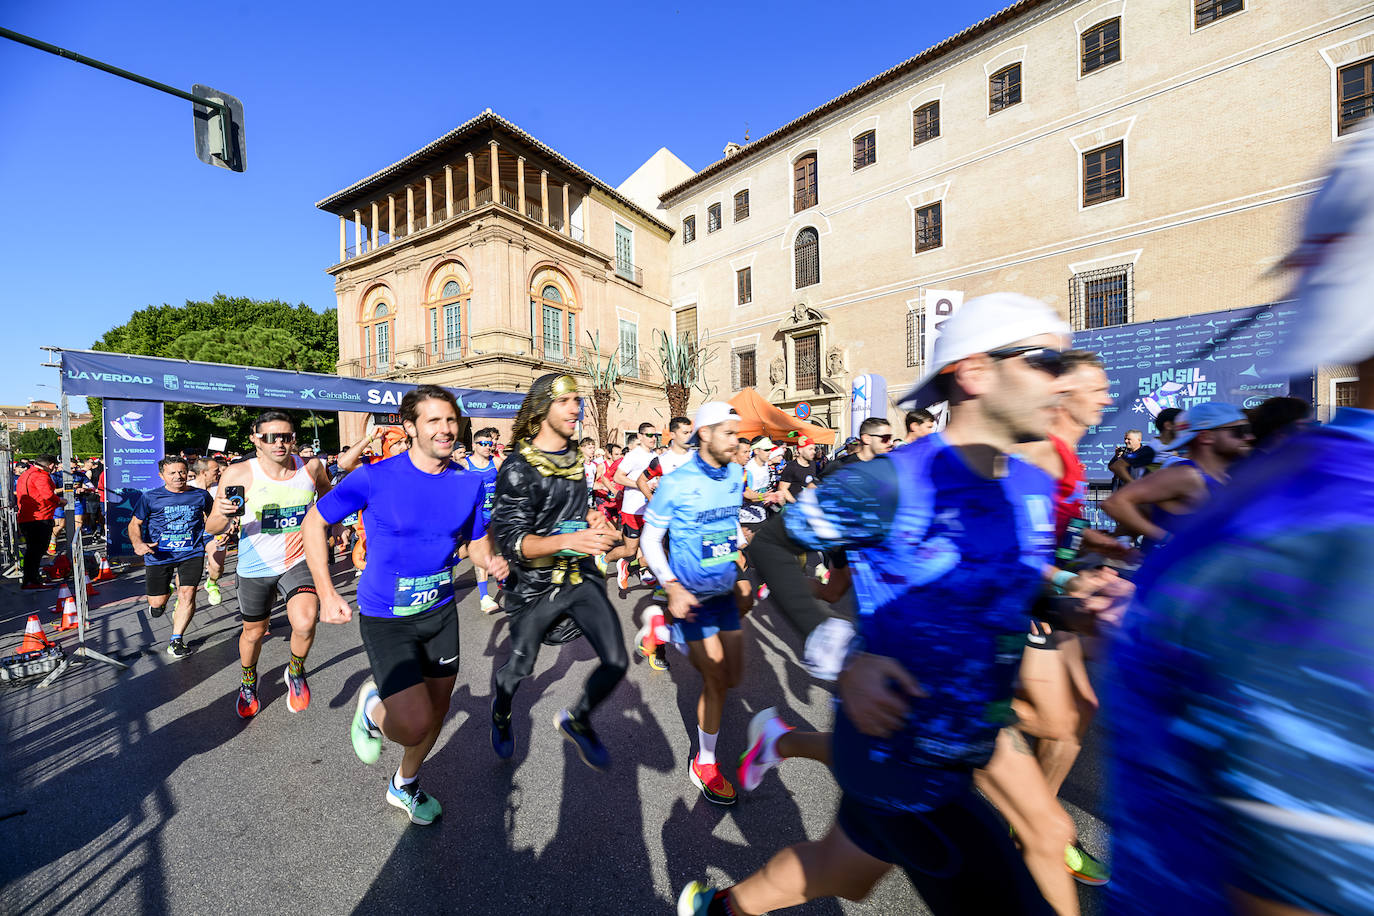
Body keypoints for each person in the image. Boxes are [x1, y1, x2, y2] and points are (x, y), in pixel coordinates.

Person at [680, 292, 1079, 916]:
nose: (1066, 379)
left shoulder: (1029, 485)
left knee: (847, 872)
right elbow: (775, 546)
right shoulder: (889, 482)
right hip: (901, 759)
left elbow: (1009, 585)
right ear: (975, 372)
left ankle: (720, 909)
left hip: (975, 734)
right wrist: (840, 656)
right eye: (1045, 363)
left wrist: (1072, 604)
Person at [1108, 127, 1374, 916]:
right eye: (1229, 429)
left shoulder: (1269, 496)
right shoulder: (1301, 521)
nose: (1240, 437)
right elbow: (1123, 503)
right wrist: (1153, 552)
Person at [303, 386, 504, 826]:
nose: (445, 429)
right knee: (411, 723)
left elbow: (475, 544)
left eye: (450, 420)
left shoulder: (467, 482)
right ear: (410, 427)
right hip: (387, 618)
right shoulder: (374, 477)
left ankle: (404, 784)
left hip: (439, 614)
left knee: (436, 712)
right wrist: (326, 590)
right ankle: (373, 706)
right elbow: (315, 520)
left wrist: (493, 560)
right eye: (433, 420)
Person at [488, 373, 625, 771]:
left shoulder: (575, 459)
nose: (575, 409)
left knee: (616, 660)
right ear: (543, 407)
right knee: (520, 668)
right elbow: (512, 540)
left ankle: (579, 720)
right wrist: (569, 541)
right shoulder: (517, 467)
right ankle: (501, 711)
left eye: (578, 401)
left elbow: (572, 511)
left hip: (579, 577)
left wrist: (593, 518)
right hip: (534, 586)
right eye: (566, 402)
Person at [640, 403, 752, 804]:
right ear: (704, 434)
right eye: (728, 434)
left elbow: (728, 515)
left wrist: (737, 544)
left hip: (723, 590)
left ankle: (662, 632)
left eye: (736, 434)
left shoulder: (736, 473)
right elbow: (649, 540)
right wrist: (670, 585)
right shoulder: (676, 482)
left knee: (735, 676)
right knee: (717, 678)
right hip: (690, 594)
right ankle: (705, 763)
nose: (736, 441)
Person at [209, 410, 332, 719]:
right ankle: (248, 681)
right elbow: (212, 527)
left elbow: (328, 497)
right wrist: (223, 513)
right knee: (253, 633)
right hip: (255, 567)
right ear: (255, 439)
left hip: (298, 560)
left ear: (294, 439)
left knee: (305, 621)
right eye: (269, 437)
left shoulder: (312, 466)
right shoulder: (238, 474)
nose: (278, 443)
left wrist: (338, 525)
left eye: (286, 437)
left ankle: (295, 671)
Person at [1103, 401, 1253, 549]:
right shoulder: (1187, 475)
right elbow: (1114, 503)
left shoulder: (1225, 478)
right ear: (1206, 436)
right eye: (1239, 431)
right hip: (1169, 572)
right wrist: (1168, 539)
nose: (1249, 437)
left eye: (1248, 429)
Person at [129, 457, 233, 658]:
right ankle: (163, 596)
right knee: (157, 603)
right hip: (159, 554)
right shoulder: (150, 497)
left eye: (182, 472)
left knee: (187, 594)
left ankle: (176, 640)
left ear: (188, 473)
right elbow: (134, 524)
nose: (178, 476)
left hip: (191, 552)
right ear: (161, 476)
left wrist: (226, 528)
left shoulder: (201, 495)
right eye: (172, 473)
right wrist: (138, 543)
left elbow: (213, 519)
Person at [605, 422, 659, 590]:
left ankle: (643, 570)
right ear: (640, 437)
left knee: (649, 543)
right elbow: (618, 478)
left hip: (649, 509)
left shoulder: (654, 456)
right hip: (632, 509)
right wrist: (641, 484)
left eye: (655, 435)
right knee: (629, 550)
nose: (653, 439)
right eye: (649, 435)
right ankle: (604, 560)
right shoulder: (633, 455)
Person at [461, 427, 503, 614]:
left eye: (490, 443)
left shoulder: (497, 462)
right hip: (474, 516)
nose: (488, 447)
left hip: (493, 513)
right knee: (478, 552)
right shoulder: (465, 464)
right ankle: (484, 596)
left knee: (490, 550)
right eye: (484, 444)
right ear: (474, 445)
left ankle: (489, 591)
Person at [190, 456, 229, 605]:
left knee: (217, 566)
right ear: (203, 472)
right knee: (187, 577)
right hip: (191, 536)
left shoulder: (221, 488)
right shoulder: (187, 488)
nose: (219, 472)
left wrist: (227, 528)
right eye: (215, 470)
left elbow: (229, 513)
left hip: (213, 534)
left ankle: (211, 583)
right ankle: (182, 601)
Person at [17, 455, 59, 590]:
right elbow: (47, 495)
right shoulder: (41, 476)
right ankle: (31, 580)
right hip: (40, 518)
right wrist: (60, 501)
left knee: (33, 549)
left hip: (27, 518)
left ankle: (31, 579)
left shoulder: (26, 474)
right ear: (51, 465)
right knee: (37, 550)